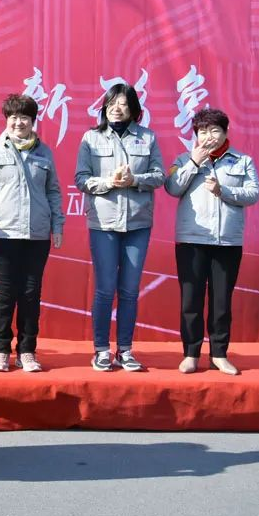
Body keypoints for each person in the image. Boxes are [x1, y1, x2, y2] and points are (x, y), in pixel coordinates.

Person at [75, 83, 164, 372]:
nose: (116, 108)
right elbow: (81, 178)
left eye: (123, 104)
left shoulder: (148, 137)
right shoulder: (91, 137)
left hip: (138, 223)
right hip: (103, 223)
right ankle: (101, 349)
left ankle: (125, 349)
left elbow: (160, 175)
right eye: (112, 103)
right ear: (105, 107)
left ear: (133, 109)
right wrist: (109, 183)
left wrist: (135, 180)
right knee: (105, 289)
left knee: (129, 290)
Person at [164, 108, 259, 375]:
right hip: (192, 240)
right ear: (196, 135)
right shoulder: (183, 159)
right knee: (191, 300)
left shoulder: (243, 161)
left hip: (227, 241)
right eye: (203, 131)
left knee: (221, 302)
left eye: (215, 130)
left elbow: (253, 193)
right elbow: (172, 187)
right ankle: (190, 354)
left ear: (226, 132)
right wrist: (194, 162)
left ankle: (219, 354)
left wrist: (223, 190)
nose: (209, 136)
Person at [0, 94, 64, 373]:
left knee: (30, 295)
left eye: (24, 117)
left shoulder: (44, 152)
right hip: (2, 233)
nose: (18, 123)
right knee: (4, 295)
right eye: (13, 117)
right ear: (6, 119)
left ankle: (27, 351)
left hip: (37, 235)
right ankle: (0, 350)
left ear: (33, 120)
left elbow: (53, 191)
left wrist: (57, 226)